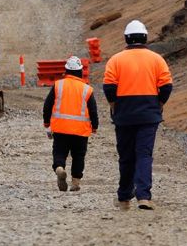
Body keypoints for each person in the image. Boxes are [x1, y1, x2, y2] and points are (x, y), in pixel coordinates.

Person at [103, 20, 172, 211]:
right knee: (144, 154)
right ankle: (144, 197)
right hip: (149, 114)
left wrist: (114, 106)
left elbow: (109, 87)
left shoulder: (116, 60)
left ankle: (124, 198)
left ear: (126, 38)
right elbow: (166, 86)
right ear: (145, 37)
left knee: (126, 156)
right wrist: (159, 104)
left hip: (124, 115)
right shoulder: (157, 59)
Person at [43, 56, 98, 192]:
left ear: (66, 70)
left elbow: (47, 105)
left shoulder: (58, 85)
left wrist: (46, 122)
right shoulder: (87, 89)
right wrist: (95, 126)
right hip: (81, 130)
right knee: (78, 156)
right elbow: (93, 110)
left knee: (59, 152)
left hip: (61, 128)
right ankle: (75, 182)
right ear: (80, 71)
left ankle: (59, 168)